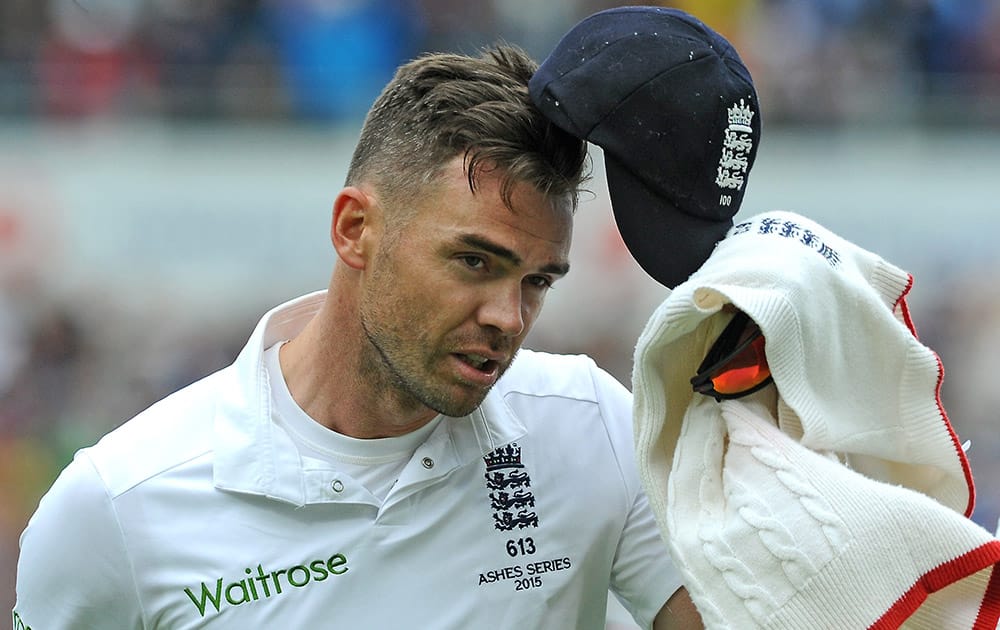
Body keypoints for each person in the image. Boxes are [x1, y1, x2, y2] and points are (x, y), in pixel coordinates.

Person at [13, 44, 702, 629]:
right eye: (474, 261)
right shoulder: (118, 504)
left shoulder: (592, 427)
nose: (508, 317)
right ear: (354, 230)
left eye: (537, 281)